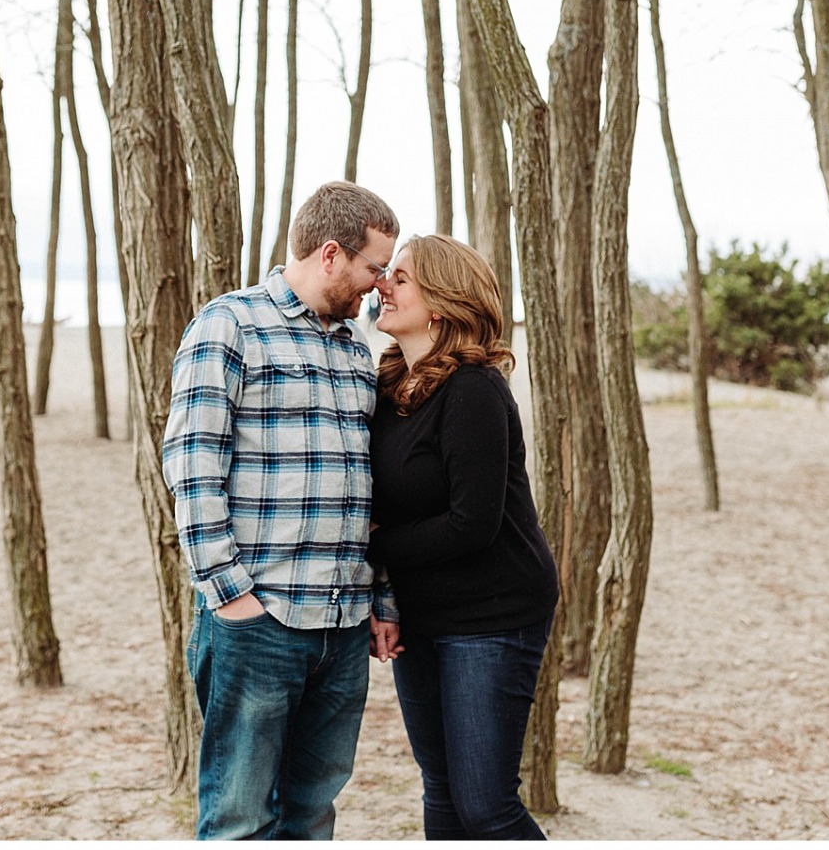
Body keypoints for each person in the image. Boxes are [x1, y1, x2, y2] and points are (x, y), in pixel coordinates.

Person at [163, 181, 403, 840]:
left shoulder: (357, 351)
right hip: (259, 621)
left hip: (345, 626)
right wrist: (231, 596)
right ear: (331, 253)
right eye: (374, 266)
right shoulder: (229, 324)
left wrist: (381, 599)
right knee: (241, 818)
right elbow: (191, 460)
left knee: (311, 812)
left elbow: (369, 488)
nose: (380, 284)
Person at [367, 234, 560, 840]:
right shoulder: (390, 388)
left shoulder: (474, 390)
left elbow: (470, 525)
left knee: (486, 806)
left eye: (401, 278)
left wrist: (369, 548)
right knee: (444, 793)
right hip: (423, 614)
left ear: (445, 301)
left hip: (493, 613)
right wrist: (387, 600)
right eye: (385, 274)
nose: (383, 285)